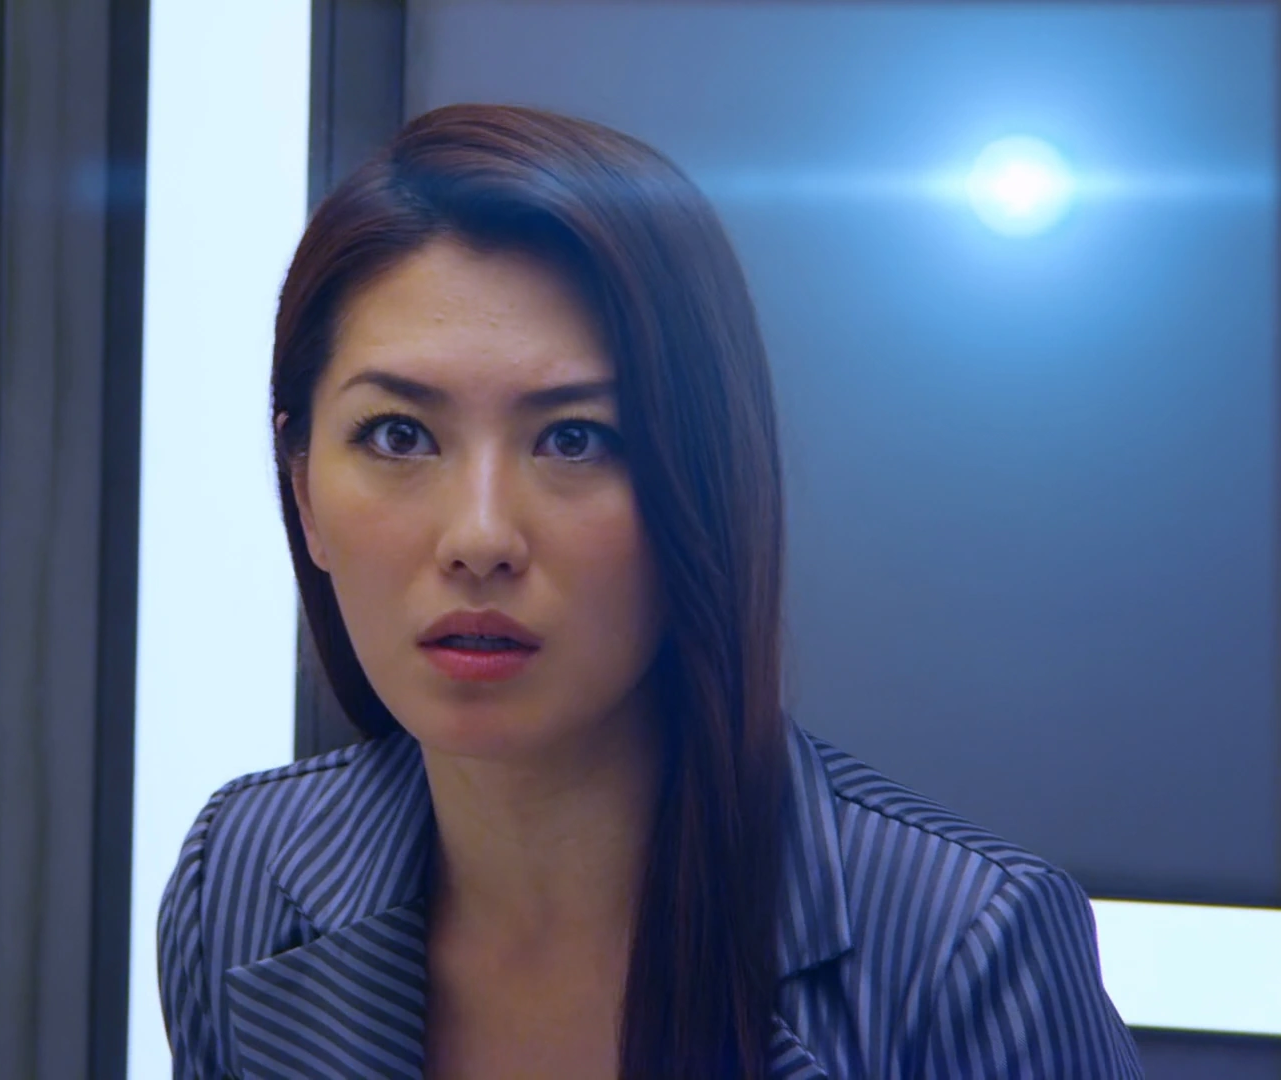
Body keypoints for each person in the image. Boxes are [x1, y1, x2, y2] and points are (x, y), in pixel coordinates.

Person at [157, 103, 1142, 1079]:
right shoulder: (242, 878)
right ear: (303, 492)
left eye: (574, 438)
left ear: (700, 486)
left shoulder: (965, 949)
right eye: (399, 435)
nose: (481, 538)